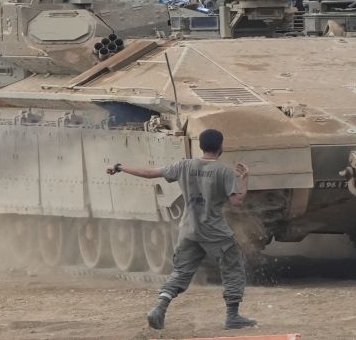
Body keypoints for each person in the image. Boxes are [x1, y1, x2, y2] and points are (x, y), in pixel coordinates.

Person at [105, 128, 256, 331]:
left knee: (181, 271)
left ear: (201, 146)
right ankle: (232, 316)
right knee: (233, 266)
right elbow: (237, 201)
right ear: (221, 146)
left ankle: (159, 308)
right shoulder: (224, 171)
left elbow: (149, 173)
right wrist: (245, 178)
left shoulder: (184, 165)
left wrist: (120, 167)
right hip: (215, 231)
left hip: (189, 229)